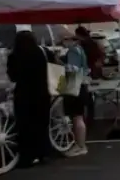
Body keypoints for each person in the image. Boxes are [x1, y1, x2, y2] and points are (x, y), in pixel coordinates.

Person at [6, 31, 55, 167]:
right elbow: (55, 66)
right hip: (42, 93)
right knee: (42, 124)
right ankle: (43, 153)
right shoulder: (44, 52)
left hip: (24, 95)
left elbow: (13, 77)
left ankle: (27, 157)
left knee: (25, 127)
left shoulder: (14, 56)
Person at [63, 28, 90, 156]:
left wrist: (61, 65)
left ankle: (80, 146)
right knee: (79, 117)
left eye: (64, 40)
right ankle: (80, 144)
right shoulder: (80, 50)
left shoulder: (73, 51)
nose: (63, 43)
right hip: (82, 85)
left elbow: (73, 68)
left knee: (77, 117)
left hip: (75, 86)